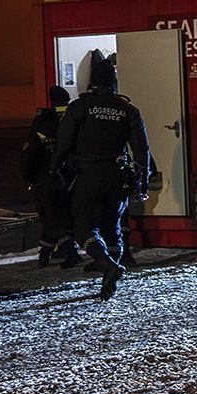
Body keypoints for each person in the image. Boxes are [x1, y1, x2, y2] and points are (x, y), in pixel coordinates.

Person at [51, 50, 150, 299]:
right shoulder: (128, 110)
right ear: (114, 84)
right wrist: (142, 183)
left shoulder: (79, 107)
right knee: (112, 227)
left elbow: (62, 143)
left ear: (91, 83)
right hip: (117, 175)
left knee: (84, 229)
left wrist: (53, 170)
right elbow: (142, 150)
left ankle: (108, 266)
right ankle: (110, 277)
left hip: (87, 175)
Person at [19, 85, 79, 268]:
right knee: (62, 216)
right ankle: (46, 254)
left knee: (51, 216)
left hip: (47, 177)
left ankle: (66, 252)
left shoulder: (42, 121)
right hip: (73, 176)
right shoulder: (74, 117)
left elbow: (31, 152)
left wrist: (28, 177)